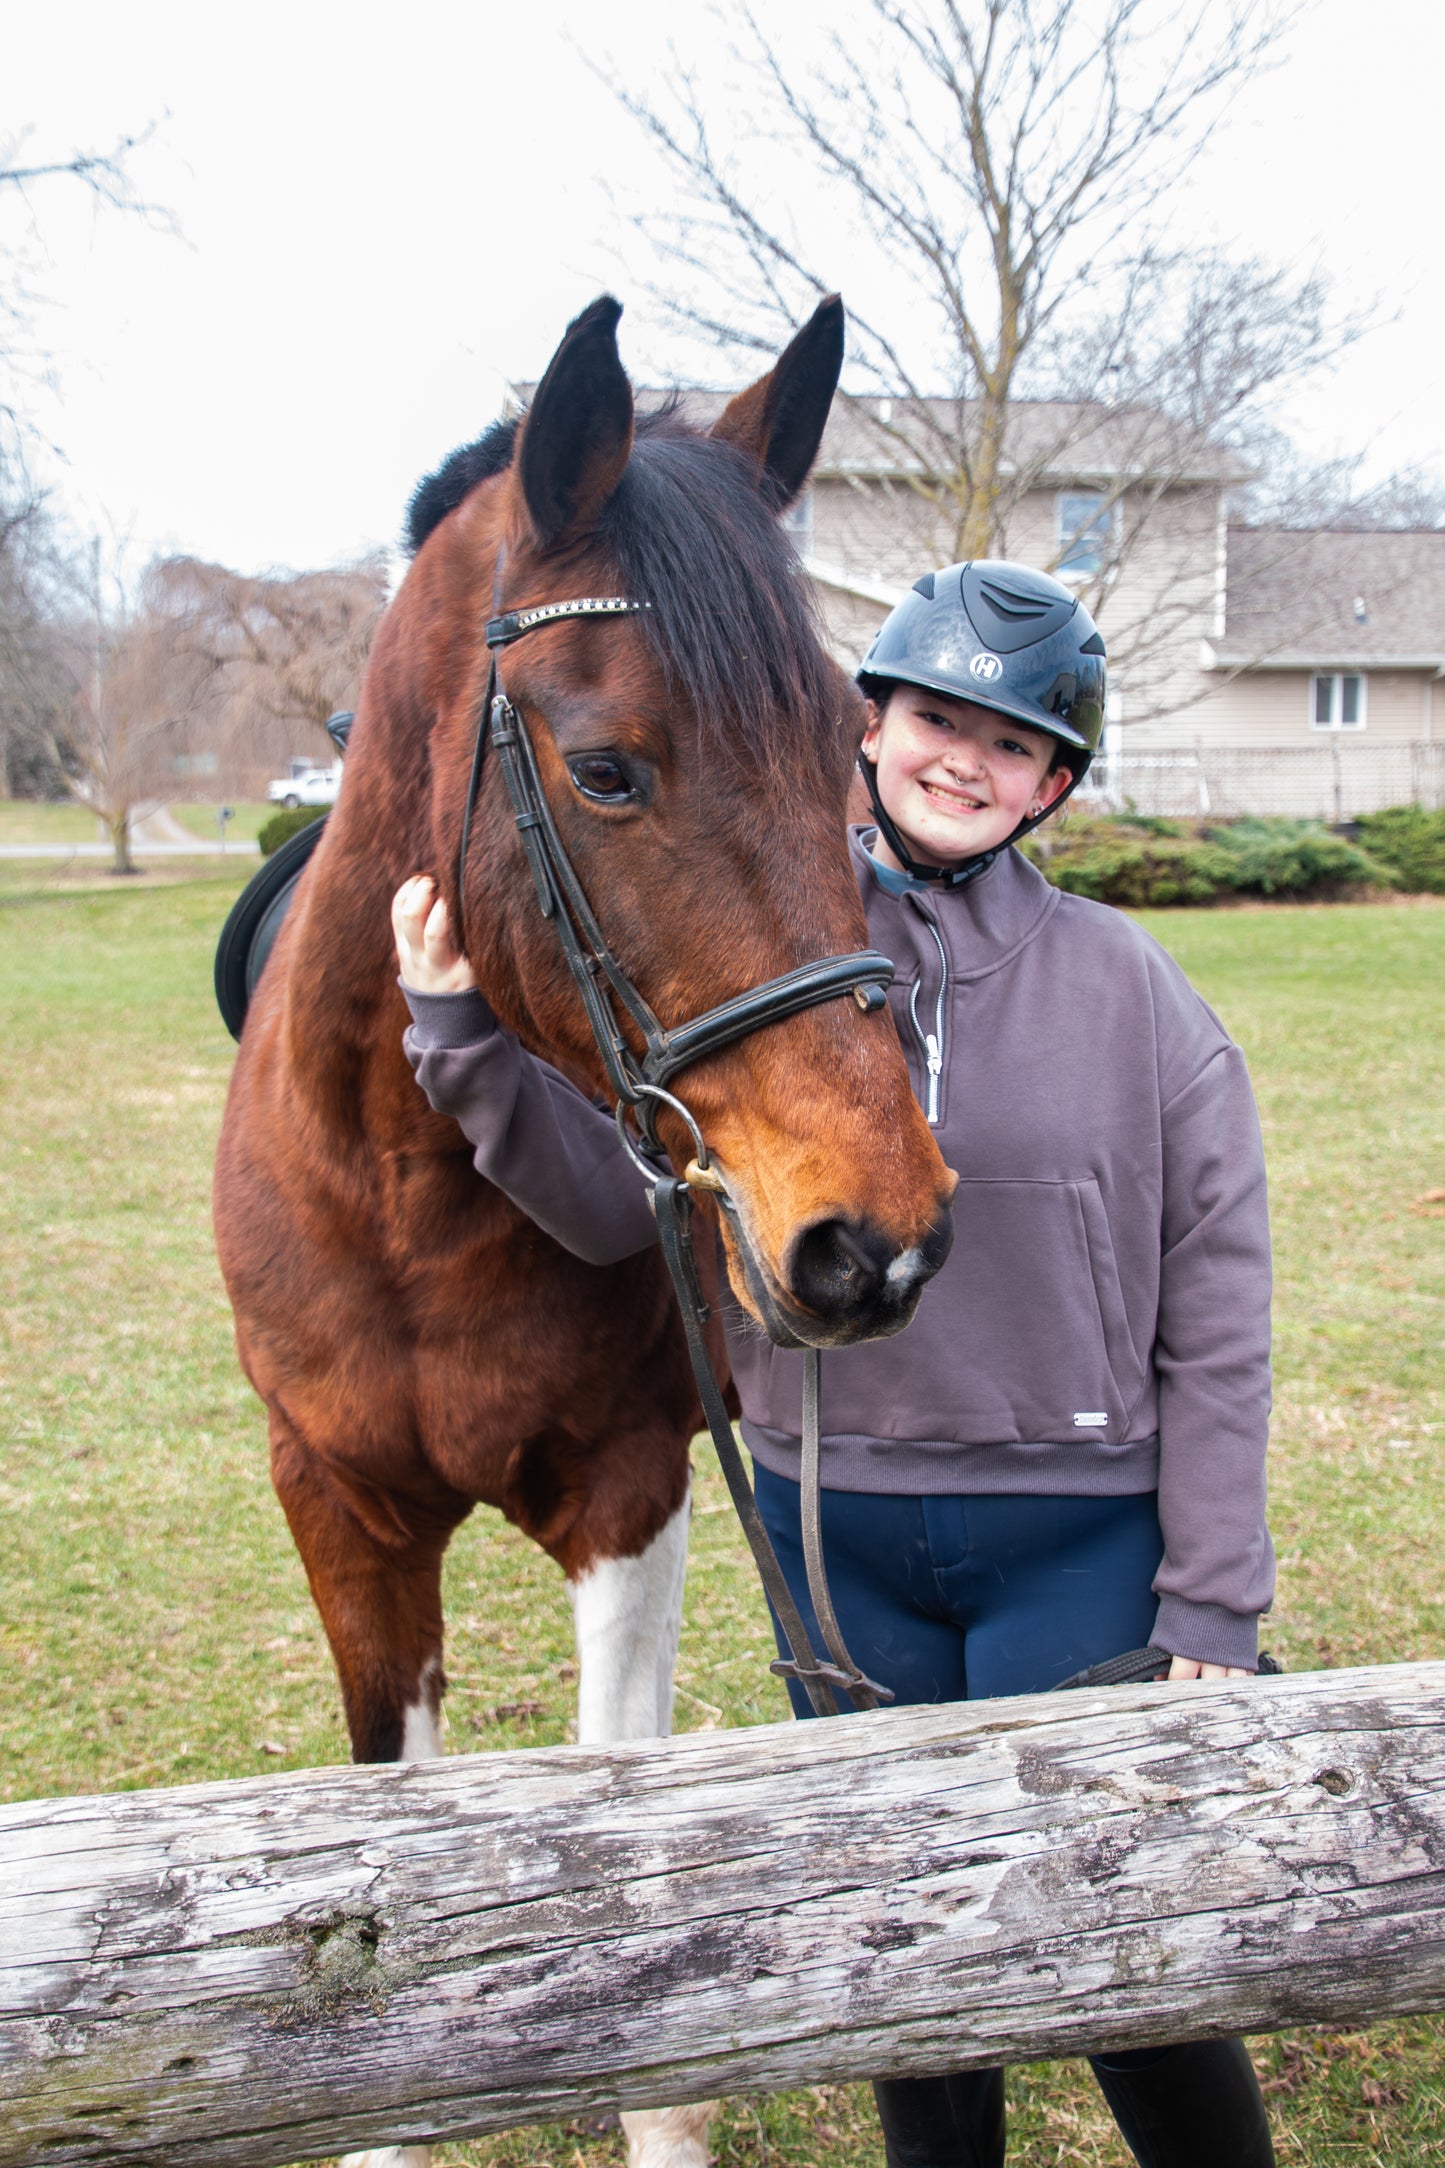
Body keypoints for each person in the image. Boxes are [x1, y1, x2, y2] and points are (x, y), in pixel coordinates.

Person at [392, 560, 1277, 2168]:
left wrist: (1212, 1585)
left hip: (1069, 1531)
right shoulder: (754, 946)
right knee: (904, 1954)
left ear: (1054, 784)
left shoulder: (1132, 992)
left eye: (1010, 743)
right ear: (864, 729)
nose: (963, 758)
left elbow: (1216, 1300)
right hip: (833, 1532)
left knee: (1118, 1952)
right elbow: (619, 1209)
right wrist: (456, 1035)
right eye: (935, 716)